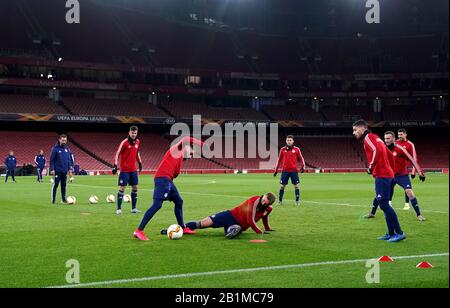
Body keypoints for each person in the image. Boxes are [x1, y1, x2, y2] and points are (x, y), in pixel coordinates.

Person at [133, 136, 204, 241]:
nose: (191, 156)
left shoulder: (179, 158)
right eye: (191, 153)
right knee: (157, 205)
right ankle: (139, 230)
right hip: (162, 179)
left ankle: (183, 228)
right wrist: (201, 143)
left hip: (168, 181)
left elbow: (174, 173)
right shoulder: (177, 149)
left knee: (179, 202)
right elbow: (185, 139)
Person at [352, 120, 406, 242]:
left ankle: (399, 232)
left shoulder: (368, 138)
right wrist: (391, 170)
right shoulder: (376, 138)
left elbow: (377, 151)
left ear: (362, 129)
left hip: (382, 175)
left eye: (355, 130)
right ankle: (390, 233)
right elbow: (390, 155)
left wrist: (371, 166)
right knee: (384, 203)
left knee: (384, 204)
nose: (354, 132)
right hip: (387, 174)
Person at [365, 131, 426, 221]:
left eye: (388, 138)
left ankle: (419, 215)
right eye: (385, 138)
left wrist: (420, 172)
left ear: (394, 139)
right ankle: (372, 213)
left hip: (402, 175)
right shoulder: (383, 148)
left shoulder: (400, 148)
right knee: (379, 194)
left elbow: (412, 159)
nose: (386, 140)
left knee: (409, 192)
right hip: (389, 175)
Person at [184, 193, 276, 239]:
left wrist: (267, 228)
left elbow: (265, 217)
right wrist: (259, 231)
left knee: (236, 228)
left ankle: (232, 230)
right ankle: (181, 228)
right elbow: (250, 220)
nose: (262, 202)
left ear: (268, 204)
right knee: (202, 223)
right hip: (230, 215)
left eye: (265, 202)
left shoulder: (268, 209)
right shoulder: (254, 200)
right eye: (263, 199)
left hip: (240, 225)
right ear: (263, 196)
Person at [112, 126, 142, 215]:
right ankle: (118, 209)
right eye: (132, 133)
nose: (133, 135)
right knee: (122, 188)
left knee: (135, 187)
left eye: (135, 133)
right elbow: (117, 154)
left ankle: (134, 208)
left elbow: (137, 153)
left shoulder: (138, 141)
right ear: (129, 132)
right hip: (124, 170)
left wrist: (140, 163)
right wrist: (115, 166)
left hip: (133, 170)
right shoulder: (124, 142)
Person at [273, 135, 305, 206]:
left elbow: (301, 158)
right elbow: (279, 160)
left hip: (294, 171)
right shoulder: (282, 149)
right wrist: (276, 170)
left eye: (290, 140)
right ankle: (280, 201)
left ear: (293, 141)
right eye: (288, 140)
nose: (289, 141)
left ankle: (297, 202)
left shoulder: (296, 149)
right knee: (282, 186)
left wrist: (303, 167)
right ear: (286, 141)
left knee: (296, 186)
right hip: (285, 171)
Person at [396, 128, 419, 210]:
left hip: (404, 169)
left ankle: (406, 204)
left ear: (405, 134)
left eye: (401, 134)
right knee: (388, 186)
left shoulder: (410, 144)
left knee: (407, 188)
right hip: (394, 169)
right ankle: (389, 203)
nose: (399, 136)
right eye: (398, 135)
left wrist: (414, 171)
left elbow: (414, 158)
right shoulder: (395, 142)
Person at [49, 134, 74, 204]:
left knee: (64, 185)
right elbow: (52, 160)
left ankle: (63, 199)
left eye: (65, 140)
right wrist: (52, 169)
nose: (64, 142)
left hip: (64, 171)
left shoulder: (67, 149)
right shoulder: (55, 149)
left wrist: (69, 169)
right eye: (62, 140)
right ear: (59, 140)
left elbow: (68, 160)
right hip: (57, 171)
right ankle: (53, 199)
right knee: (56, 184)